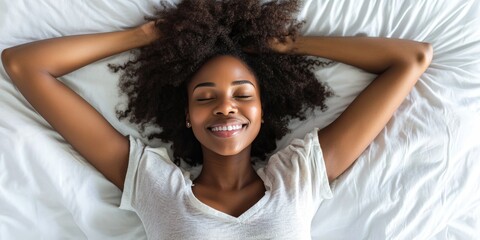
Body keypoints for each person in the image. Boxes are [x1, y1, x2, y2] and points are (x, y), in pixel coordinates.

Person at [1, 0, 432, 239]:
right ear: (187, 117)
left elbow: (412, 58)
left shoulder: (299, 176)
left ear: (263, 112)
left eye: (243, 96)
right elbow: (23, 66)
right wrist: (139, 37)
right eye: (206, 98)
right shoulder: (154, 185)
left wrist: (289, 46)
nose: (226, 107)